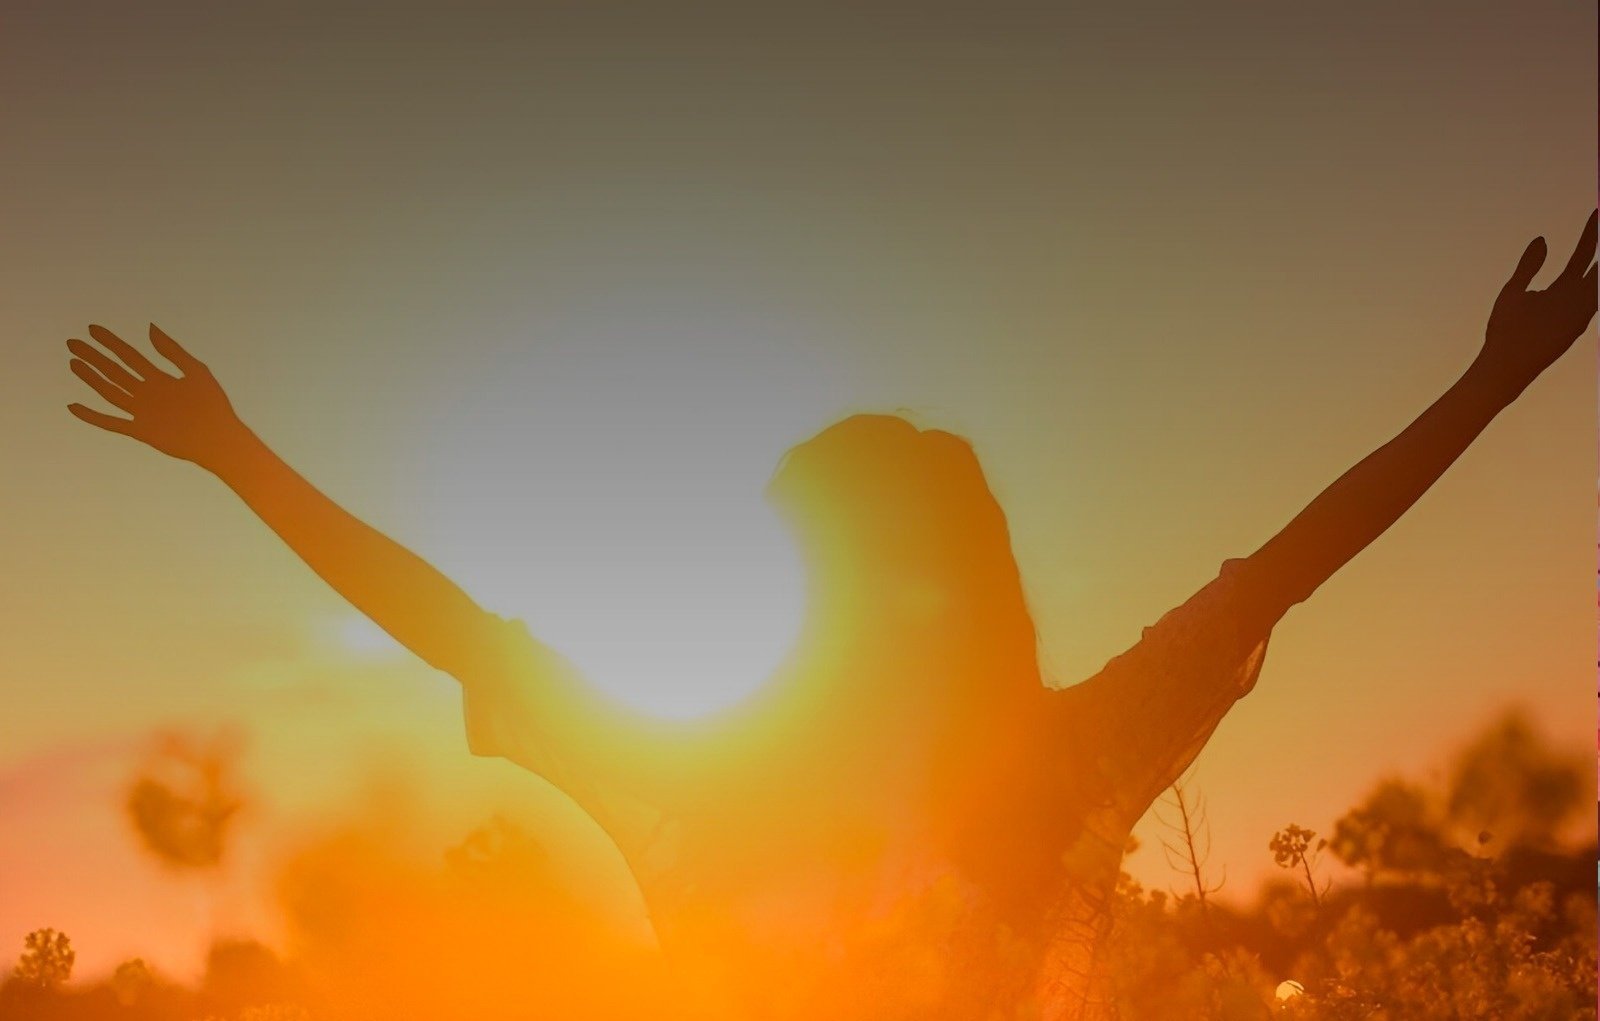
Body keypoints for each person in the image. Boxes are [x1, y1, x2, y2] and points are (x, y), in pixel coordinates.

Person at [65, 214, 1597, 1019]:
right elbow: (454, 623)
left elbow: (1290, 563)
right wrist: (238, 455)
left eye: (840, 563)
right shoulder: (729, 776)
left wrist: (1492, 380)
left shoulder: (1049, 763)